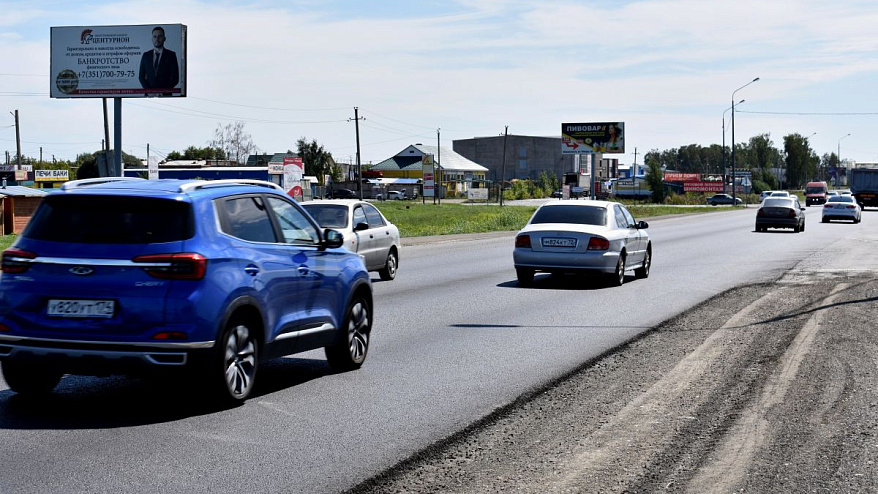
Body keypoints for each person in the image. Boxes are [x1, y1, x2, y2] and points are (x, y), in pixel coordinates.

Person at [139, 26, 179, 93]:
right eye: (155, 36)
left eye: (160, 36)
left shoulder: (171, 55)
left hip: (165, 95)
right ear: (152, 39)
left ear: (164, 38)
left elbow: (175, 78)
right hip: (149, 95)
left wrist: (164, 92)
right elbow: (141, 77)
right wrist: (149, 91)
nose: (157, 39)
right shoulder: (146, 55)